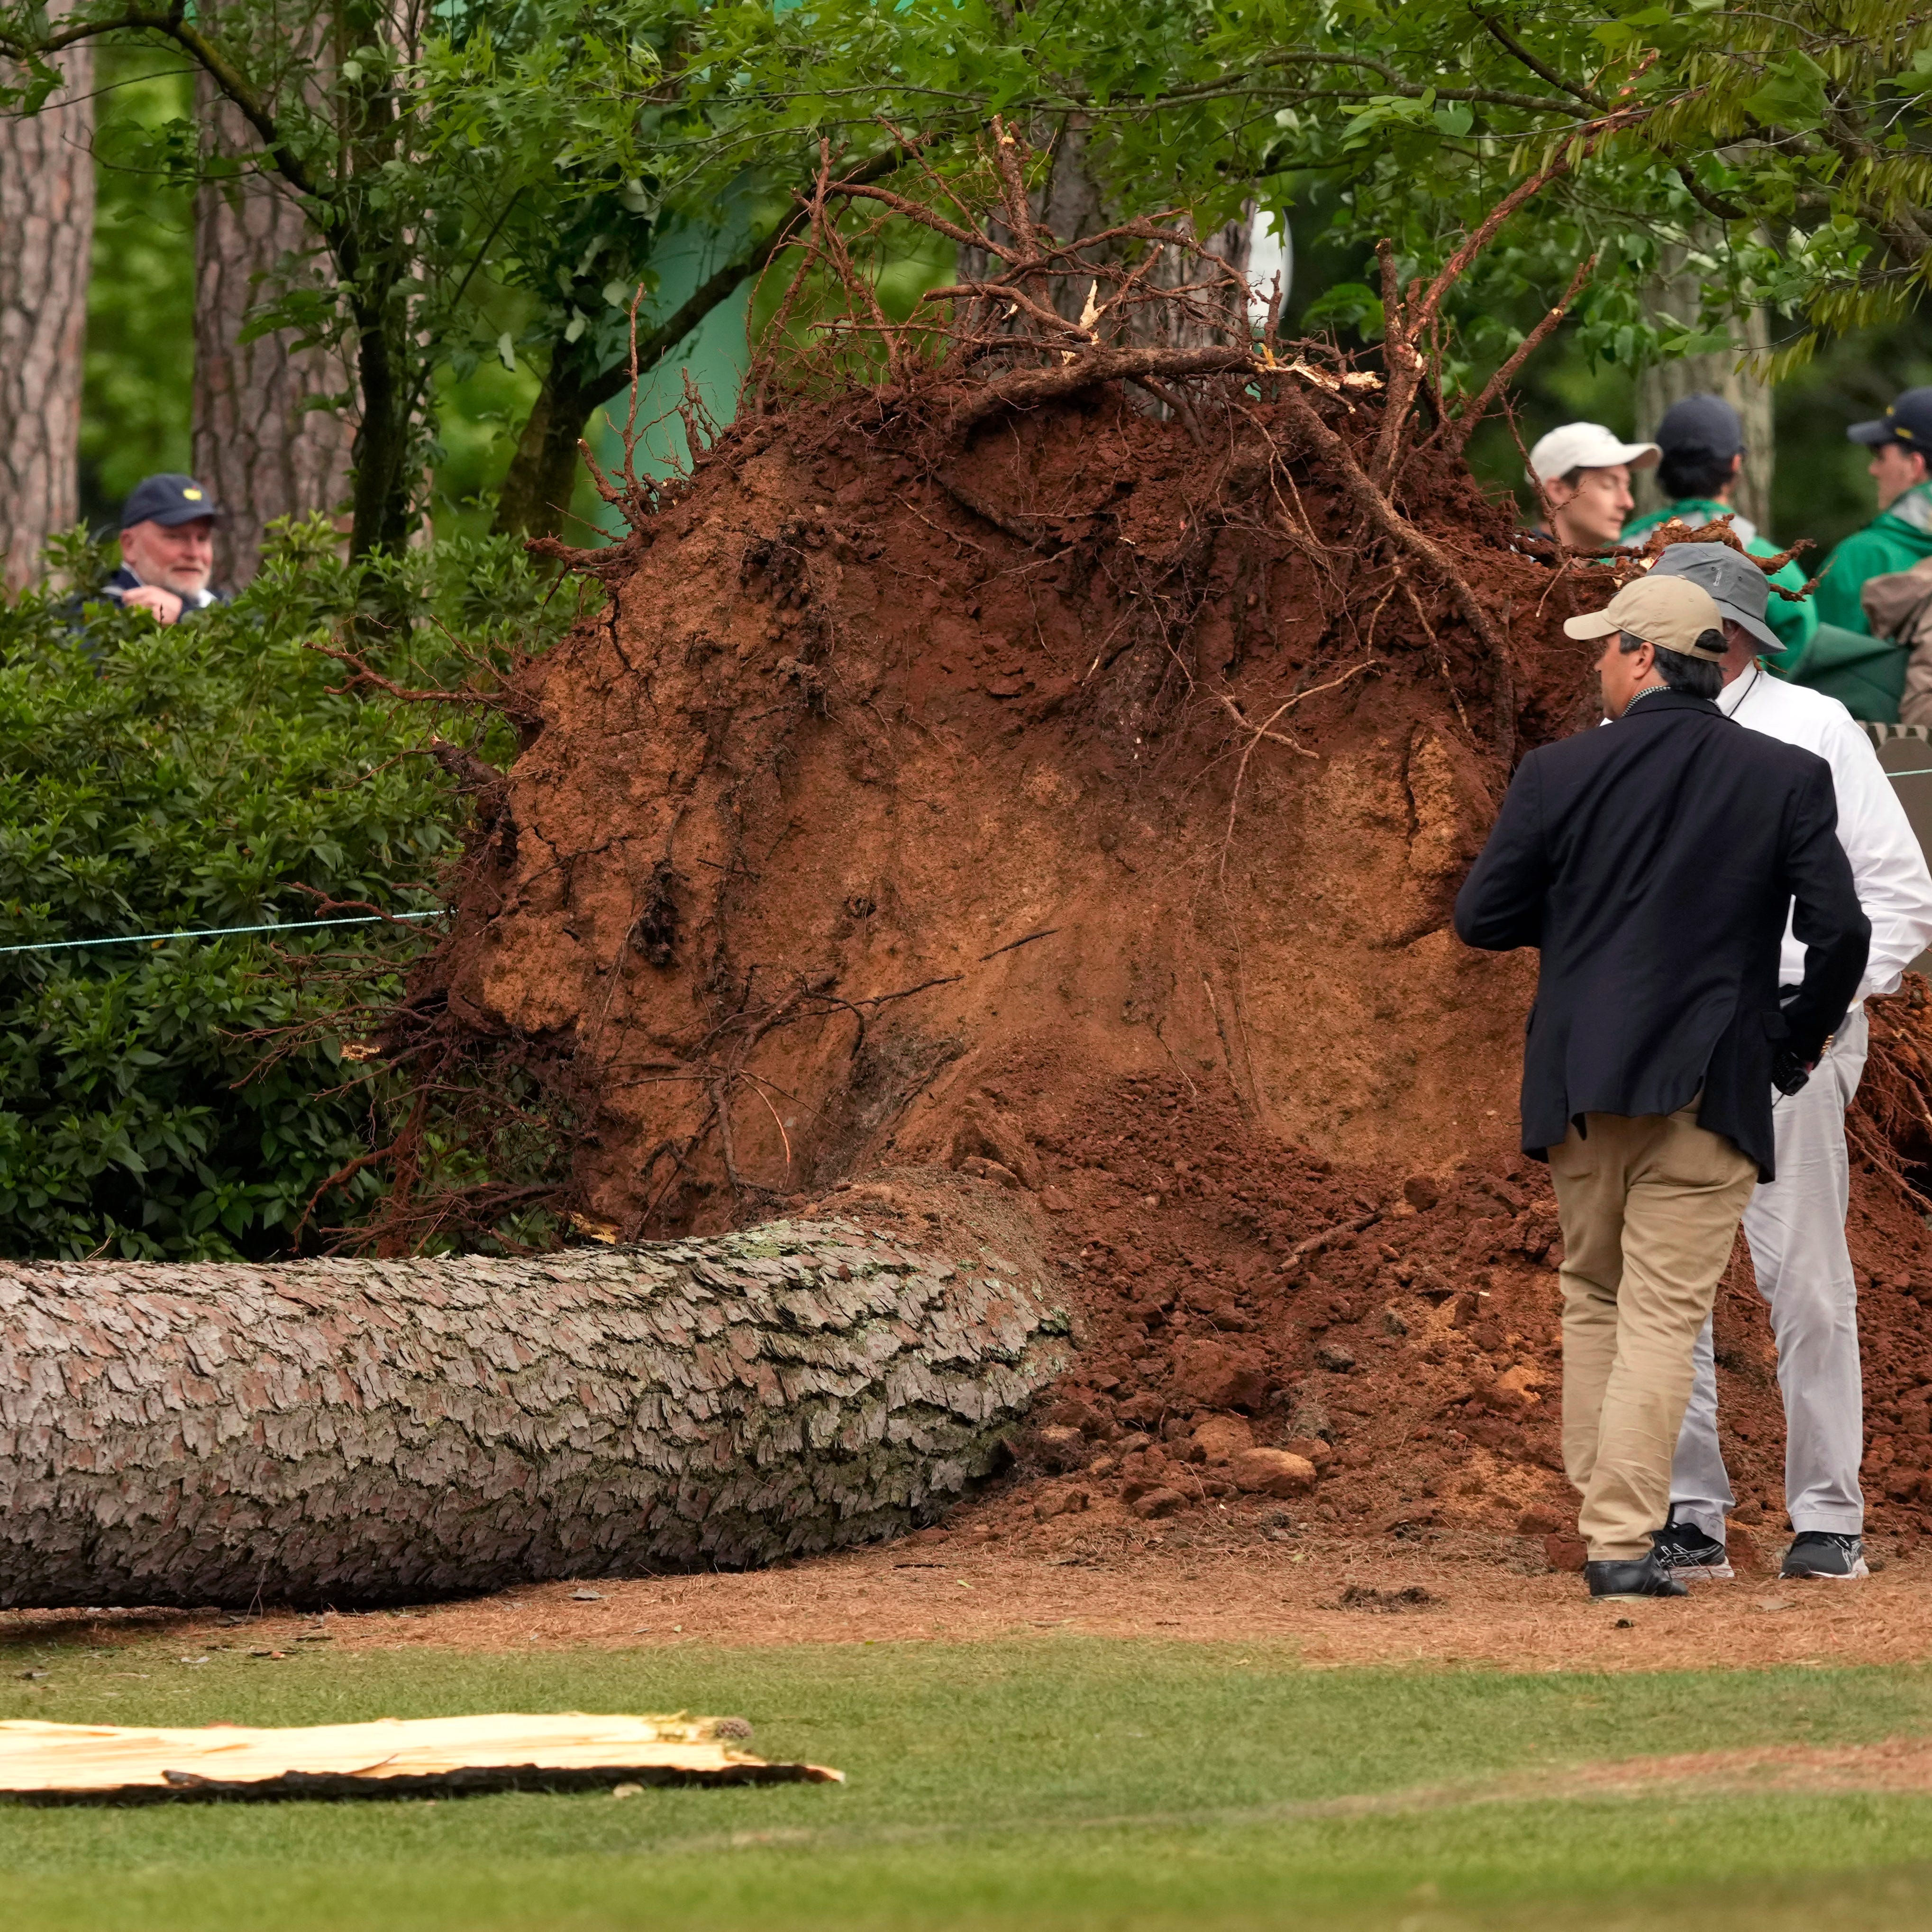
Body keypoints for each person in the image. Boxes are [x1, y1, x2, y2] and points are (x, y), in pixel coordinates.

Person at [1455, 574, 1869, 1601]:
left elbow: (1483, 916)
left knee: (1595, 1297)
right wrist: (1792, 1039)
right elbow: (1843, 932)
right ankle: (1618, 1544)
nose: (1595, 663)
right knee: (1657, 1315)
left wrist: (1587, 918)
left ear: (1645, 657)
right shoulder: (1781, 774)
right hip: (1710, 1085)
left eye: (1606, 647)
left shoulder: (1558, 772)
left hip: (1580, 1084)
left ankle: (1613, 1523)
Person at [1640, 543, 1932, 1581]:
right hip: (1665, 1031)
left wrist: (1813, 1015)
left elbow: (1899, 894)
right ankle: (1689, 1510)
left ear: (1726, 633)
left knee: (1800, 1277)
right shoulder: (1624, 730)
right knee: (1671, 1279)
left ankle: (1826, 1516)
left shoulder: (1814, 726)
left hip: (1783, 1033)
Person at [1619, 394, 1815, 672]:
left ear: (1661, 470)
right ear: (1735, 463)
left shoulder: (1617, 556)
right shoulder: (1775, 566)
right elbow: (1801, 656)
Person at [1792, 389, 1932, 721]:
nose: (1873, 470)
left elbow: (1817, 690)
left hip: (1882, 760)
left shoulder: (1862, 557)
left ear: (1915, 466)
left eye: (1880, 456)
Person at [100, 474, 230, 624]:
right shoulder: (96, 614)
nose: (194, 554)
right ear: (129, 545)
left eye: (202, 539)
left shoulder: (225, 607)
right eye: (175, 537)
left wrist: (184, 616)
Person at [1525, 422, 1659, 556]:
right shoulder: (1516, 572)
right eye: (1608, 485)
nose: (1628, 503)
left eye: (1626, 486)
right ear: (1558, 490)